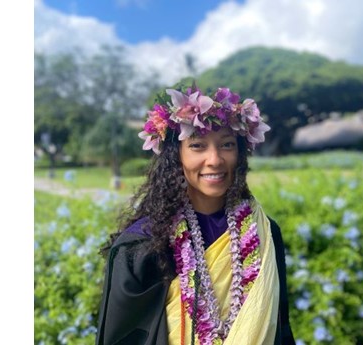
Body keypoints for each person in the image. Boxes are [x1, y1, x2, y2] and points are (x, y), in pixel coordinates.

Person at [96, 84, 295, 345]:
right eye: (198, 145)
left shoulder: (264, 233)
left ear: (240, 153)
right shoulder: (143, 245)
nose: (214, 159)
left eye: (226, 144)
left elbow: (279, 327)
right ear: (175, 156)